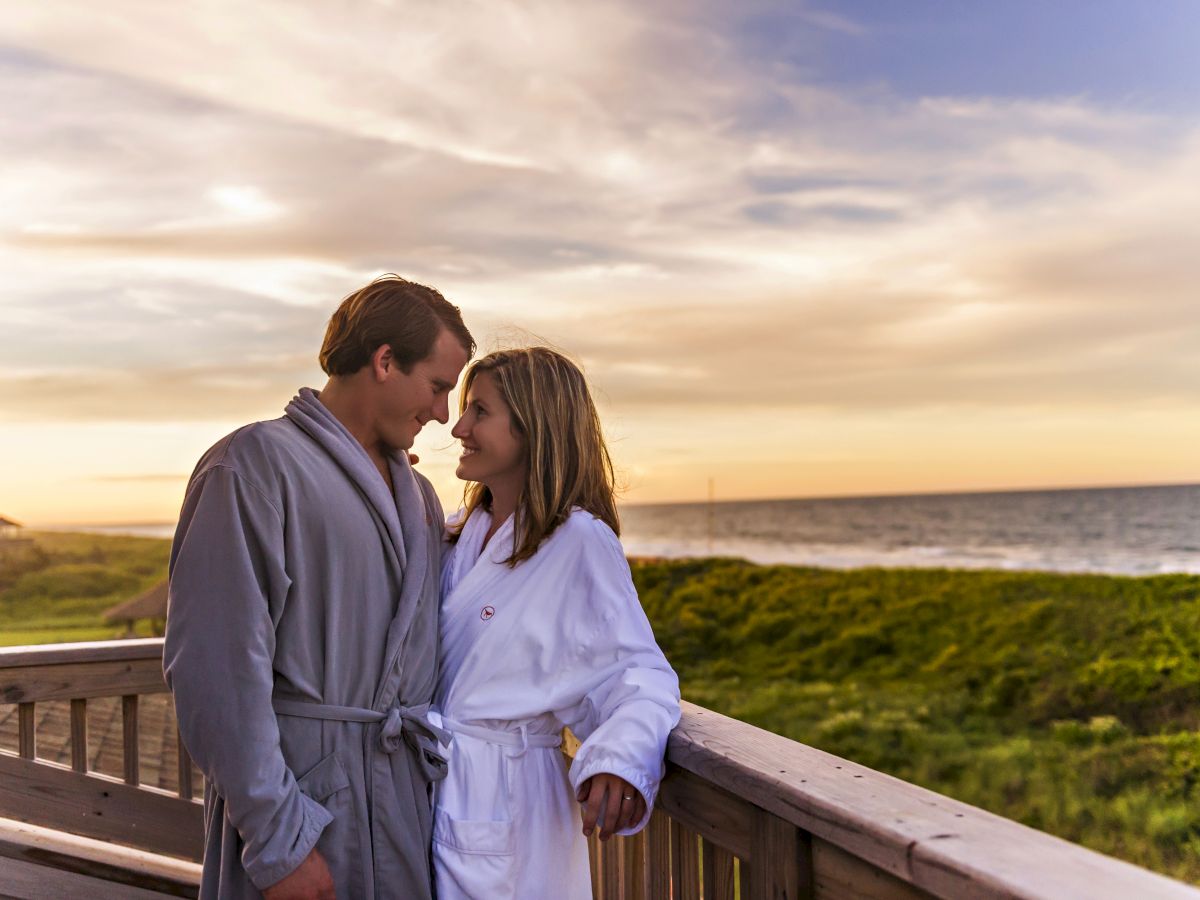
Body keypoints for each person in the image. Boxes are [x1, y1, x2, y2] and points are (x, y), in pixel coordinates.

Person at [164, 275, 473, 899]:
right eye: (438, 387)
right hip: (304, 809)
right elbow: (216, 672)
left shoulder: (417, 495)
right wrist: (280, 840)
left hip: (404, 811)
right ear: (384, 361)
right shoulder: (253, 465)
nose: (444, 414)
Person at [430, 347, 681, 899]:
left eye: (479, 411)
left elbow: (637, 675)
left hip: (509, 804)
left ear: (533, 427)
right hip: (435, 793)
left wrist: (618, 759)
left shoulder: (579, 543)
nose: (459, 426)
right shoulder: (457, 534)